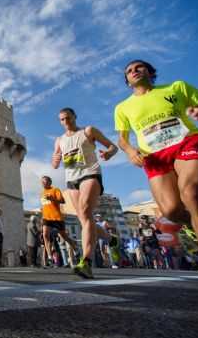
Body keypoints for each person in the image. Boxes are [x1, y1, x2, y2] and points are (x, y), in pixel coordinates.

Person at [115, 59, 198, 291]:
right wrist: (130, 150)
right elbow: (122, 139)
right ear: (127, 80)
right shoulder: (122, 107)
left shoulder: (176, 87)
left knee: (192, 196)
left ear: (150, 72)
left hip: (188, 142)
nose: (134, 71)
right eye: (129, 71)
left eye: (138, 68)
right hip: (154, 156)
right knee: (172, 211)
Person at [52, 107, 118, 278]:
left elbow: (113, 146)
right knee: (84, 219)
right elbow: (54, 162)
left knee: (86, 212)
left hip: (90, 173)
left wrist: (109, 153)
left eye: (68, 118)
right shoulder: (59, 140)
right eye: (62, 120)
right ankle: (110, 240)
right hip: (71, 179)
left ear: (74, 116)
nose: (65, 122)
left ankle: (86, 262)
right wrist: (55, 160)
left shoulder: (88, 131)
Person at [40, 176, 77, 267]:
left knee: (64, 237)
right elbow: (45, 206)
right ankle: (49, 256)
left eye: (44, 182)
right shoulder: (42, 193)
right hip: (46, 218)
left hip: (56, 217)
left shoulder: (55, 190)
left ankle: (75, 248)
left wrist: (52, 199)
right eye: (42, 182)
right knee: (45, 234)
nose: (43, 184)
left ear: (49, 182)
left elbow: (62, 200)